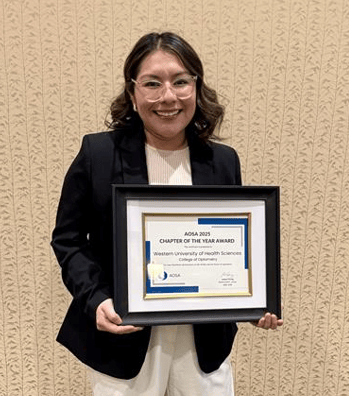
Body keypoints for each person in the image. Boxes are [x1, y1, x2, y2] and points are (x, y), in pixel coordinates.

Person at [51, 31, 283, 396]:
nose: (168, 97)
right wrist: (96, 300)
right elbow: (68, 240)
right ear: (133, 92)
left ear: (196, 87)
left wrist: (253, 299)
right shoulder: (98, 153)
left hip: (203, 343)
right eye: (152, 83)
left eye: (180, 82)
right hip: (124, 340)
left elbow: (234, 242)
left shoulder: (223, 161)